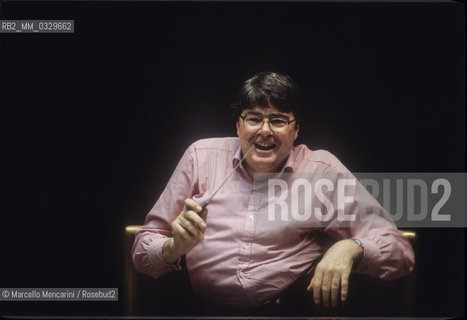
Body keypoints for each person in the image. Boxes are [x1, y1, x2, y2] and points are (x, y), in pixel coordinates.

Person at [132, 72, 414, 313]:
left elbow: (400, 252)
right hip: (197, 311)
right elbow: (142, 250)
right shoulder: (200, 156)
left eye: (278, 121)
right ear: (238, 125)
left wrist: (350, 247)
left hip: (288, 311)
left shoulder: (322, 170)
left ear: (296, 130)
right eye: (254, 119)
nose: (264, 131)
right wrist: (174, 248)